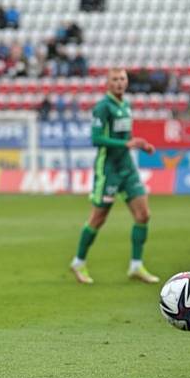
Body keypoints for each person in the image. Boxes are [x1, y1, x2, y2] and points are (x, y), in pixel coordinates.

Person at [70, 68, 160, 285]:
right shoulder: (102, 107)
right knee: (98, 218)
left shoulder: (125, 105)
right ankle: (78, 261)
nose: (119, 83)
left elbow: (125, 136)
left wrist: (141, 145)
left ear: (127, 82)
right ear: (107, 83)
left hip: (127, 167)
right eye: (115, 79)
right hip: (108, 168)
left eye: (122, 79)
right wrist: (125, 144)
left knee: (143, 215)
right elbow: (96, 138)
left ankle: (136, 266)